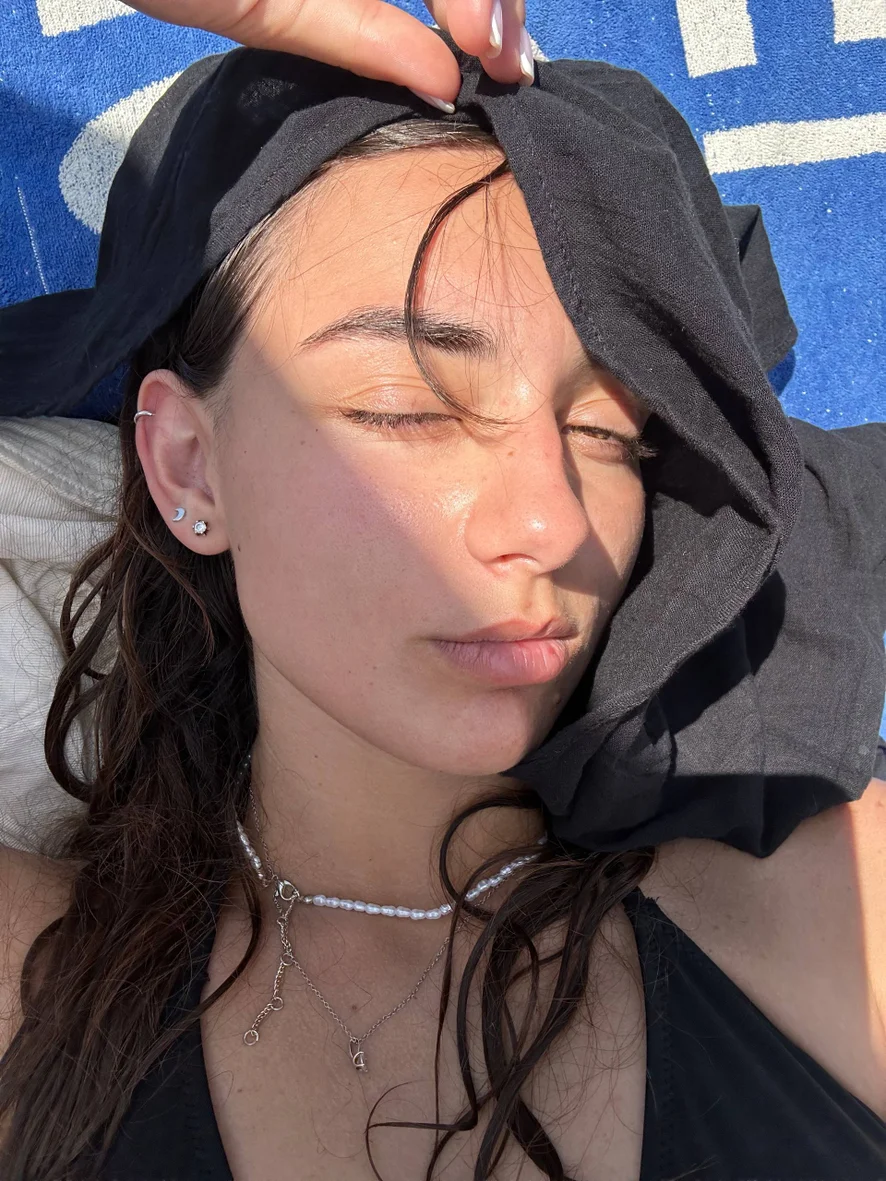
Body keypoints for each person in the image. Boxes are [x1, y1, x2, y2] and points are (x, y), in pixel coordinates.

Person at [0, 9, 884, 1181]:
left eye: (610, 433)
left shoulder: (828, 907)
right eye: (407, 408)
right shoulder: (32, 975)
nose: (552, 522)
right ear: (187, 465)